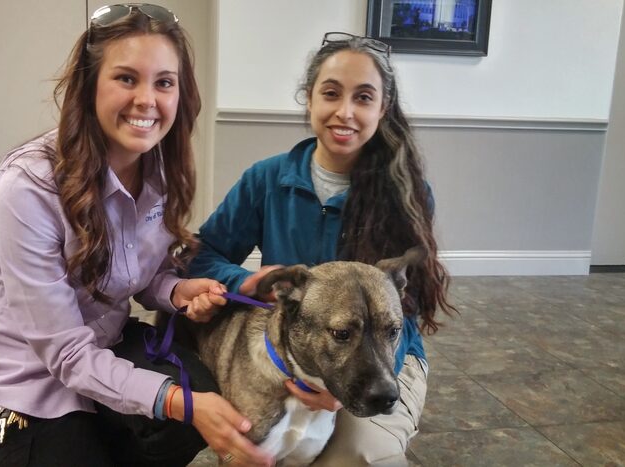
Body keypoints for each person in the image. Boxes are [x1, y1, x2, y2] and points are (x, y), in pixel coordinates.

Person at [0, 4, 273, 466]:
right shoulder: (28, 185)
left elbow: (141, 272)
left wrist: (177, 289)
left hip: (102, 342)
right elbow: (65, 353)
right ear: (89, 87)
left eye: (164, 82)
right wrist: (179, 402)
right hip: (30, 374)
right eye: (126, 78)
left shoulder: (160, 165)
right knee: (186, 405)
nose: (147, 99)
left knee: (195, 402)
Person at [188, 32, 456, 466]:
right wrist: (247, 281)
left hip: (392, 357)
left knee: (360, 456)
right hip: (293, 349)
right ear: (309, 99)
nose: (344, 112)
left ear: (382, 109)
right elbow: (201, 256)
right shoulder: (266, 179)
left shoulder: (405, 192)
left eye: (364, 97)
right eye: (331, 93)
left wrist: (337, 390)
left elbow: (404, 316)